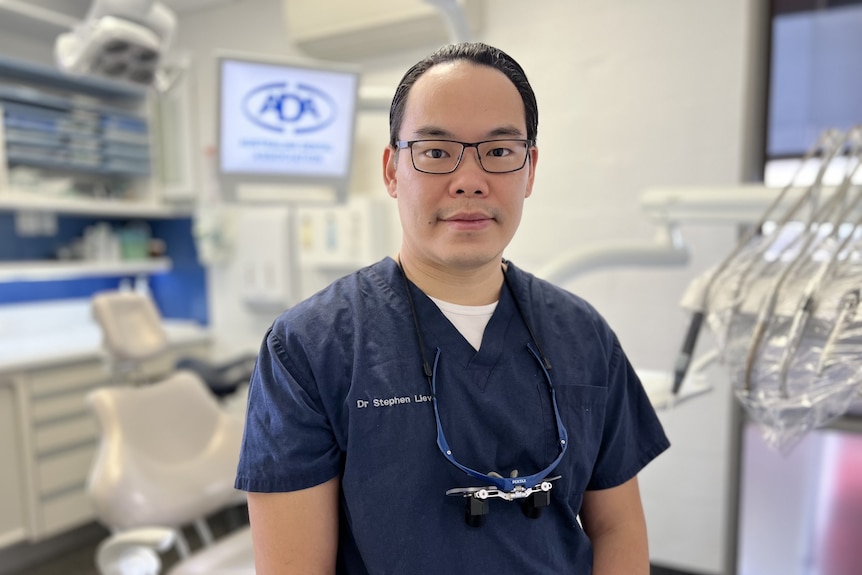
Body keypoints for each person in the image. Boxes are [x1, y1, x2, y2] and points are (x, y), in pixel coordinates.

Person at [235, 41, 670, 574]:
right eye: (436, 152)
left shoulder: (584, 334)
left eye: (500, 151)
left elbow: (617, 526)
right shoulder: (308, 348)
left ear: (529, 170)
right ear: (393, 170)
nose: (469, 179)